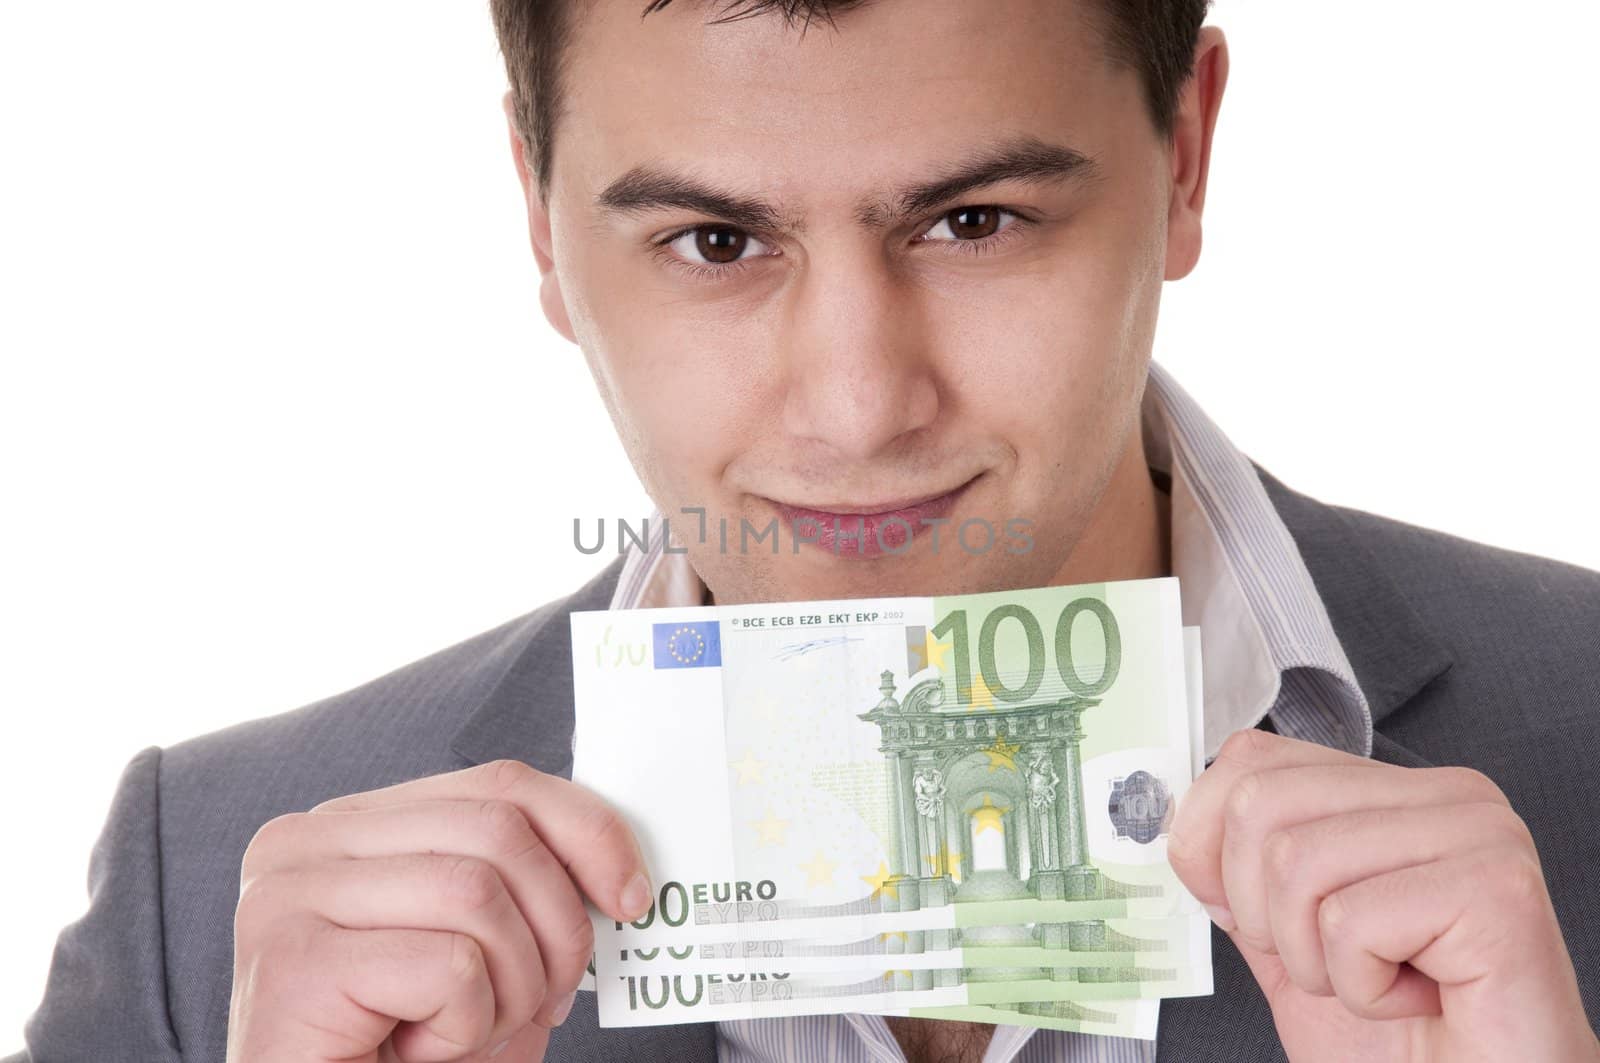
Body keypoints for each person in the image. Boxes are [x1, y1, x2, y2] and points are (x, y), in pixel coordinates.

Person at [10, 1, 1600, 1060]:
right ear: (540, 222)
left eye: (973, 222)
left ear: (1184, 156)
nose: (856, 407)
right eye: (714, 239)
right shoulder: (206, 912)